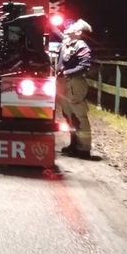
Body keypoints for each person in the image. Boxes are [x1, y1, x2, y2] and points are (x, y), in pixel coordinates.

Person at [53, 19, 94, 159]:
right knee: (69, 116)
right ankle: (74, 144)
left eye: (73, 26)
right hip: (65, 83)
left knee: (79, 116)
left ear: (78, 32)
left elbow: (84, 66)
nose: (69, 27)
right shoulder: (67, 41)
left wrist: (66, 73)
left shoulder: (81, 47)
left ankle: (84, 149)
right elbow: (56, 32)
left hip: (74, 84)